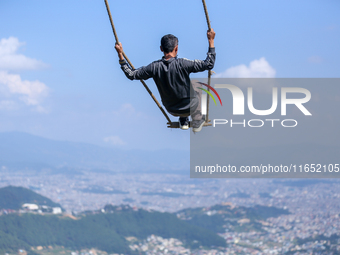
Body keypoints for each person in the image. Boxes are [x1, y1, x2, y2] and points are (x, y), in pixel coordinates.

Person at [115, 29, 216, 132]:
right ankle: (198, 119)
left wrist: (120, 54)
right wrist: (211, 40)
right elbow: (209, 64)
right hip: (190, 107)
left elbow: (131, 74)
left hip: (171, 109)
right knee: (196, 85)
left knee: (179, 90)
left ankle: (183, 120)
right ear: (176, 48)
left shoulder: (154, 67)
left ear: (161, 48)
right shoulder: (183, 64)